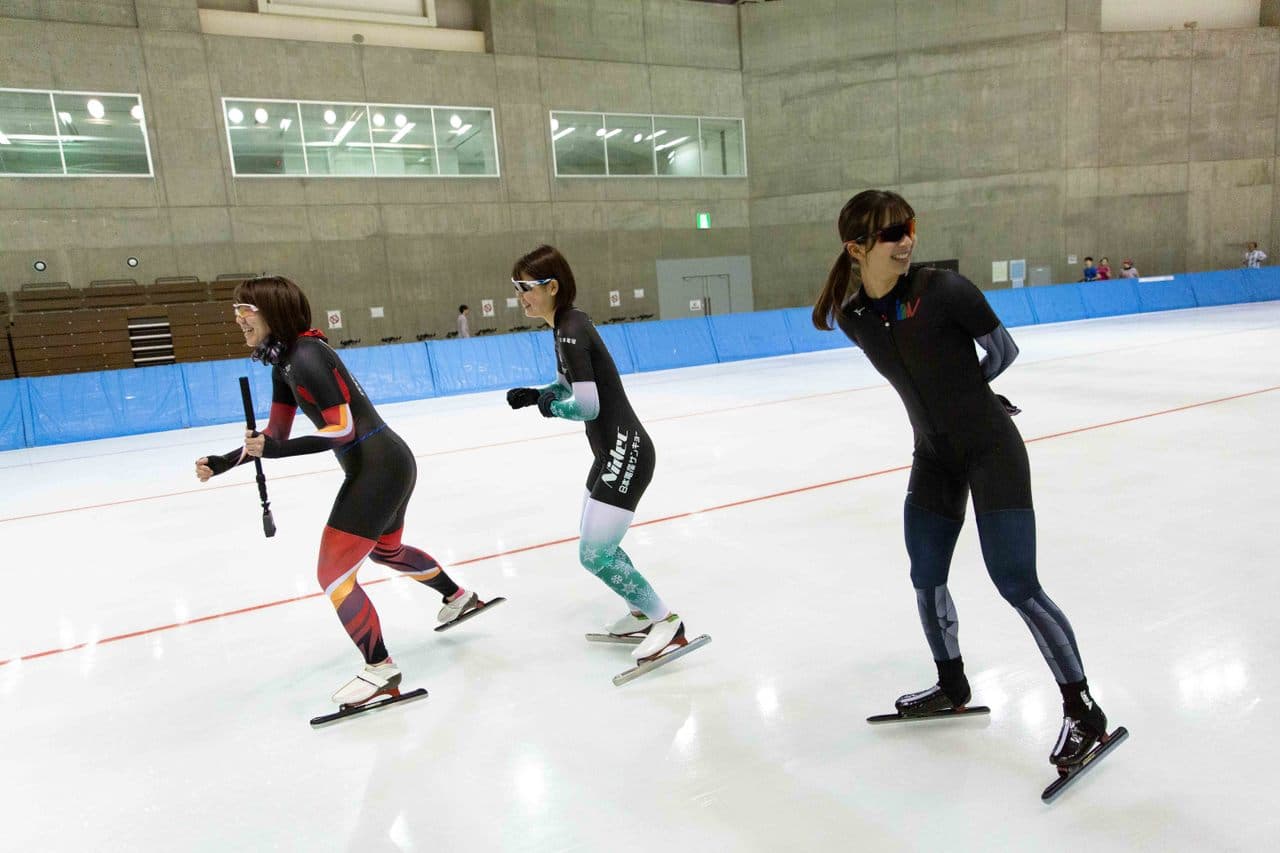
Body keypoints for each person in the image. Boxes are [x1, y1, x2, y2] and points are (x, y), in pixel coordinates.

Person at [812, 190, 1111, 769]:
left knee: (1016, 583)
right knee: (925, 575)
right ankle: (952, 685)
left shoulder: (945, 291)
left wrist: (973, 396)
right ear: (857, 248)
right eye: (892, 233)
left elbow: (1002, 350)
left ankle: (1084, 711)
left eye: (910, 227)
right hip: (933, 457)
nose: (907, 241)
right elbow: (918, 376)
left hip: (991, 450)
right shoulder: (855, 317)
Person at [194, 276, 492, 709]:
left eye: (245, 310)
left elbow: (343, 429)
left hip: (376, 468)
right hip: (388, 463)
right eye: (235, 310)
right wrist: (226, 461)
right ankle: (458, 597)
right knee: (386, 550)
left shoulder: (308, 354)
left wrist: (274, 450)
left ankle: (381, 669)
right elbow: (275, 435)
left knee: (333, 575)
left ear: (272, 311)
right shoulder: (283, 364)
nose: (238, 319)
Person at [504, 245, 692, 664]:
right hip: (611, 452)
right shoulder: (565, 326)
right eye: (517, 288)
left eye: (526, 288)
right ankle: (642, 612)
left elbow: (587, 406)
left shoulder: (569, 329)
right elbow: (565, 385)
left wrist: (549, 407)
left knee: (594, 554)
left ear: (552, 286)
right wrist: (538, 394)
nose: (521, 297)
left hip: (625, 452)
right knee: (598, 545)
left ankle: (667, 621)